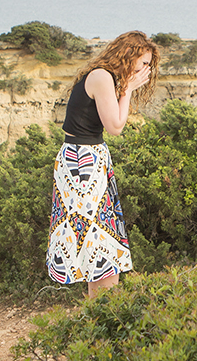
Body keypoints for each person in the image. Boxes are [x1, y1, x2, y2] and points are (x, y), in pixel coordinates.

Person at [46, 31, 160, 295]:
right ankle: (102, 311)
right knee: (98, 239)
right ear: (128, 56)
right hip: (82, 163)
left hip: (86, 159)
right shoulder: (101, 77)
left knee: (96, 240)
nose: (146, 70)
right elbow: (115, 126)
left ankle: (99, 309)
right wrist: (129, 88)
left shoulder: (104, 76)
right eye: (143, 63)